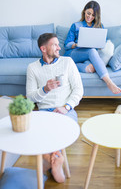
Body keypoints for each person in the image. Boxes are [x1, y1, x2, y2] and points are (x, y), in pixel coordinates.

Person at [26, 33, 83, 183]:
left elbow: (78, 90)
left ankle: (48, 159)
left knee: (60, 128)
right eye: (54, 45)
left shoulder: (68, 62)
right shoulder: (32, 68)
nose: (59, 47)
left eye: (58, 44)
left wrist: (66, 107)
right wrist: (45, 89)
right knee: (43, 130)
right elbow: (30, 97)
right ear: (43, 48)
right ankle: (55, 160)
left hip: (65, 109)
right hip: (44, 110)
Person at [64, 0, 121, 94]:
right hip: (74, 53)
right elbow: (66, 45)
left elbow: (103, 44)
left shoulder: (99, 27)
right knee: (91, 51)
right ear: (84, 11)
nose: (90, 17)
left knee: (91, 68)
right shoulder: (76, 25)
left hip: (89, 56)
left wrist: (100, 45)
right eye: (88, 13)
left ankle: (69, 66)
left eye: (93, 15)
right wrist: (76, 44)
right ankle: (109, 82)